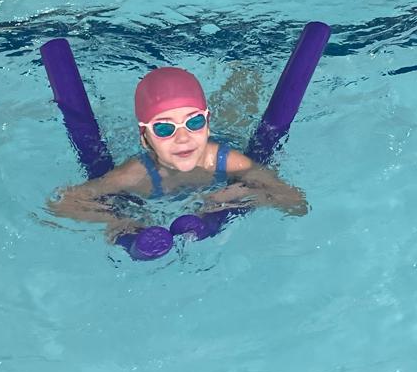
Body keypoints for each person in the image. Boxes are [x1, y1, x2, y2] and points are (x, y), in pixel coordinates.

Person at [48, 66, 307, 241]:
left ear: (207, 124)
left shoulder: (226, 161)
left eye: (194, 122)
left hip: (230, 135)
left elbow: (296, 203)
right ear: (145, 137)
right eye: (164, 128)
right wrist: (115, 220)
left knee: (242, 94)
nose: (182, 137)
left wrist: (242, 196)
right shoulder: (135, 174)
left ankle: (245, 71)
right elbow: (63, 204)